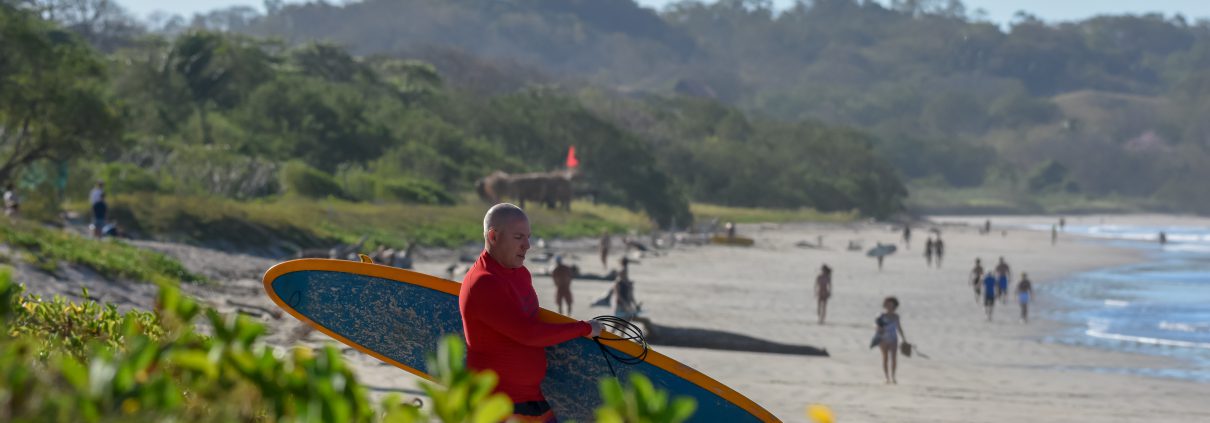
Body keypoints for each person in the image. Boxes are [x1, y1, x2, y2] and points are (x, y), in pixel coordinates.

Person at [459, 203, 603, 422]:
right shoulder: (483, 283)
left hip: (532, 400)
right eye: (519, 237)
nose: (527, 245)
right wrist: (584, 328)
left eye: (528, 237)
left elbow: (532, 322)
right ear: (493, 236)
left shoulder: (520, 273)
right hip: (496, 404)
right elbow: (528, 333)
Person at [875, 297, 907, 384]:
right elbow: (878, 329)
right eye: (887, 304)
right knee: (885, 358)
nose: (889, 306)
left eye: (891, 304)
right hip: (883, 339)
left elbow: (899, 328)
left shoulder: (896, 316)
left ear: (894, 305)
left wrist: (904, 339)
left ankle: (893, 377)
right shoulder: (881, 315)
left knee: (894, 358)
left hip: (893, 339)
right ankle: (887, 378)